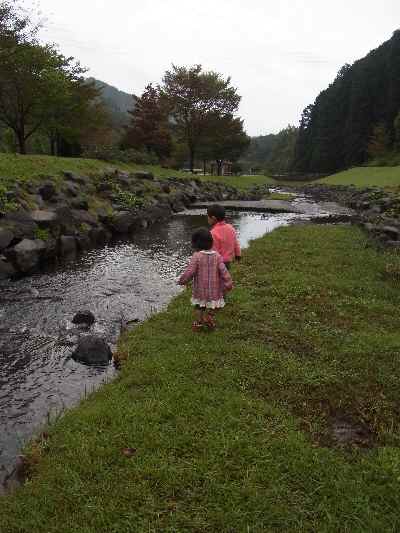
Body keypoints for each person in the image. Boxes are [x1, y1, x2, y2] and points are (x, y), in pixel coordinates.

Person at [178, 227, 233, 331]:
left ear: (195, 244)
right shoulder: (217, 256)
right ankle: (210, 316)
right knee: (216, 305)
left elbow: (190, 271)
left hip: (200, 291)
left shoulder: (196, 256)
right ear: (211, 242)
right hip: (214, 290)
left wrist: (182, 280)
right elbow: (224, 271)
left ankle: (199, 323)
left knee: (199, 306)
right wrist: (228, 283)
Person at [207, 204, 241, 270]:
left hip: (218, 264)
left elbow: (214, 251)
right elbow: (236, 243)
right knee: (225, 277)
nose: (207, 219)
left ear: (213, 218)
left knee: (217, 279)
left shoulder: (213, 233)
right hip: (228, 262)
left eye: (208, 217)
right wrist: (238, 255)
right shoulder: (231, 228)